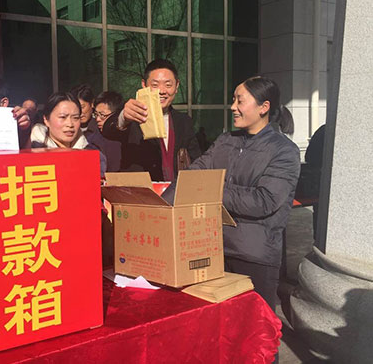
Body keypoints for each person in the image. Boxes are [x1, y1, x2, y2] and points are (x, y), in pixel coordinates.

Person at [164, 76, 300, 312]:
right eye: (233, 100)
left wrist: (211, 190)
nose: (233, 107)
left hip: (254, 256)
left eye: (240, 101)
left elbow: (264, 201)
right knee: (219, 325)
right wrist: (162, 207)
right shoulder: (225, 141)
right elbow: (191, 177)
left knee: (255, 326)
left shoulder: (284, 151)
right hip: (214, 250)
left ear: (263, 107)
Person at [102, 59, 201, 181]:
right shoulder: (133, 116)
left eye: (168, 85)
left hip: (174, 189)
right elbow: (107, 130)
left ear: (176, 86)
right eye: (155, 85)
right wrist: (123, 118)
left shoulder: (184, 122)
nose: (162, 91)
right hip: (141, 189)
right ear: (144, 85)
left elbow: (196, 159)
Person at [31, 92, 106, 176]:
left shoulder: (93, 155)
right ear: (46, 119)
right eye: (63, 117)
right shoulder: (32, 155)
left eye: (76, 118)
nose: (70, 124)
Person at [93, 91, 124, 172]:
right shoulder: (92, 141)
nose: (97, 119)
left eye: (102, 115)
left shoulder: (127, 139)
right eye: (96, 114)